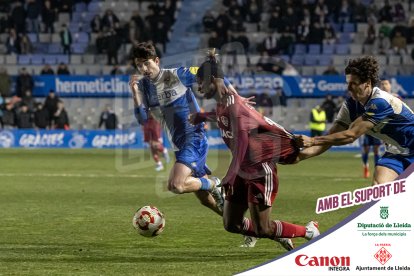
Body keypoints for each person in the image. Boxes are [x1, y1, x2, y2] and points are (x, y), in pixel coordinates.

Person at [129, 42, 257, 247]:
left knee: (176, 185)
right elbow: (144, 120)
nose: (143, 69)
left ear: (156, 61)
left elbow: (213, 73)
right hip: (179, 144)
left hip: (193, 138)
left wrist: (236, 96)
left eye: (146, 64)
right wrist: (135, 93)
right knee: (205, 200)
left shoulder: (176, 75)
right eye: (139, 65)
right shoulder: (144, 86)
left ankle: (214, 183)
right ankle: (248, 228)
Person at [191, 51, 320, 251]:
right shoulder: (222, 101)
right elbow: (221, 115)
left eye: (201, 82)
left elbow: (242, 143)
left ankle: (308, 231)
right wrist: (201, 116)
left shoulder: (235, 107)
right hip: (242, 169)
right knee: (231, 224)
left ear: (214, 80)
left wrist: (230, 175)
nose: (198, 88)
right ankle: (279, 233)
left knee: (263, 228)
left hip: (260, 170)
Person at [298, 56, 414, 185]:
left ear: (367, 83)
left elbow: (350, 136)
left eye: (354, 83)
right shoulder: (350, 105)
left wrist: (312, 140)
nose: (349, 88)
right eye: (348, 83)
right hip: (396, 152)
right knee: (378, 190)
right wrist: (298, 156)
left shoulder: (380, 101)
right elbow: (329, 139)